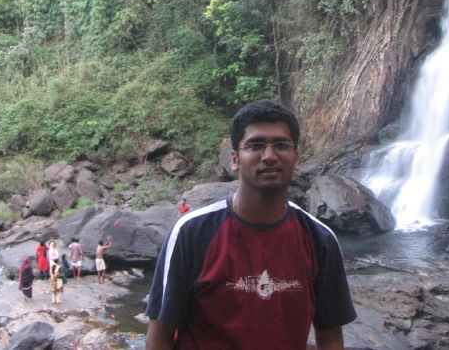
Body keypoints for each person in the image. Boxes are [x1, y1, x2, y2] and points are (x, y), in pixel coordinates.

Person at [146, 100, 357, 350]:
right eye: (255, 145)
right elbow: (160, 335)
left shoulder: (319, 239)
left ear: (296, 157)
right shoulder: (192, 232)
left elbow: (330, 335)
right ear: (235, 159)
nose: (269, 156)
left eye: (280, 145)